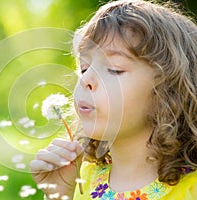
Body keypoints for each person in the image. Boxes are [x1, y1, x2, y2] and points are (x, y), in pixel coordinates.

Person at [30, 0, 197, 199]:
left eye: (114, 69)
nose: (86, 80)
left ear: (169, 90)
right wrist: (58, 195)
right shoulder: (82, 179)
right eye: (84, 67)